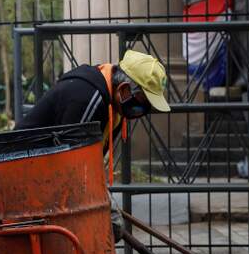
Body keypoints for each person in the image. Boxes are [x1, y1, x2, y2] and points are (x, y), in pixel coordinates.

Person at [18, 49, 171, 239]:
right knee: (106, 226)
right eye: (144, 103)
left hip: (51, 170)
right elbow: (72, 166)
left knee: (109, 225)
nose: (143, 111)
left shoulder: (114, 106)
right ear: (124, 89)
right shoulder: (88, 97)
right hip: (27, 171)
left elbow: (90, 160)